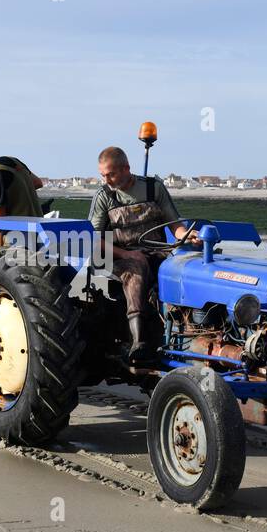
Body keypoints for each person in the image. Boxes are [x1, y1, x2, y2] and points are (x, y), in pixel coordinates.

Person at [89, 128, 197, 362]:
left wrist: (188, 235)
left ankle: (187, 332)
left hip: (156, 251)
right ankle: (139, 341)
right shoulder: (104, 197)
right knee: (136, 272)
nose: (106, 180)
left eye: (111, 175)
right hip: (117, 258)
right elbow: (95, 239)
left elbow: (175, 224)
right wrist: (127, 254)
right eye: (103, 176)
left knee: (185, 269)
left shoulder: (153, 188)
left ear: (126, 169)